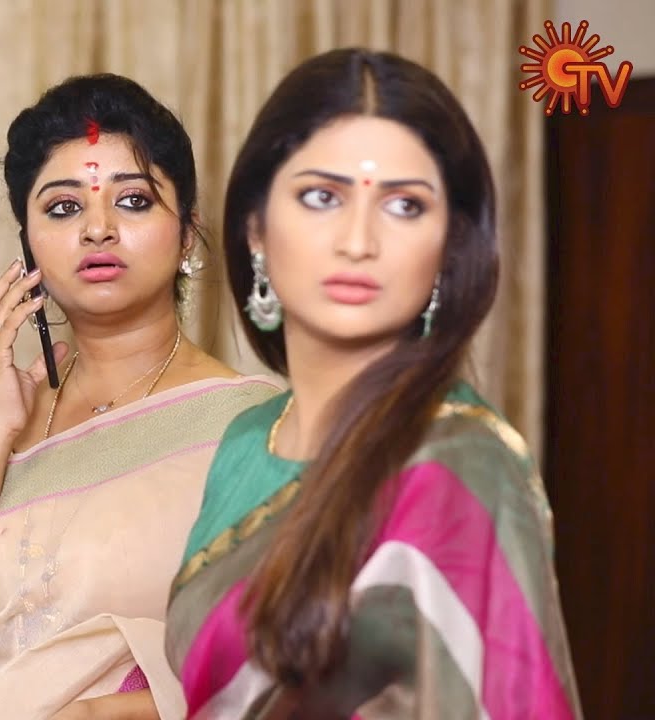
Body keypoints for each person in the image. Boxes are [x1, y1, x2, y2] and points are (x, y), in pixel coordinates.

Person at [165, 48, 582, 718]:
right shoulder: (245, 440)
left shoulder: (460, 467)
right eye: (321, 197)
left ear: (449, 246)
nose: (358, 240)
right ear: (256, 229)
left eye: (405, 206)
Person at [0, 74, 281, 720]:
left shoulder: (252, 424)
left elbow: (289, 665)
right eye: (63, 208)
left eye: (134, 201)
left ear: (187, 234)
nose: (98, 229)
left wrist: (105, 714)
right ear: (27, 245)